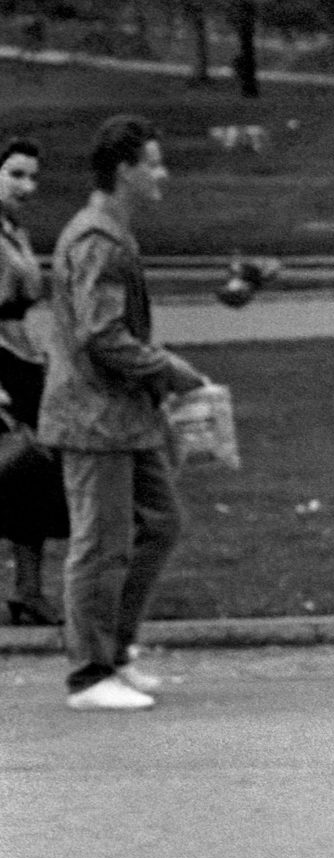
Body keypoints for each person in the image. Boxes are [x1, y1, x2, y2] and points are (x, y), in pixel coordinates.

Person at [44, 116, 213, 713]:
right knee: (100, 543)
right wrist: (166, 369)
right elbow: (101, 335)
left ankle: (113, 652)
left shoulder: (111, 235)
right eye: (153, 162)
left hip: (124, 415)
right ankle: (89, 675)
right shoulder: (97, 240)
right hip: (93, 418)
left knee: (160, 523)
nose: (162, 173)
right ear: (124, 170)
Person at [0, 138, 56, 622]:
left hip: (23, 359)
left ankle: (28, 589)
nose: (27, 186)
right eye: (16, 174)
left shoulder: (13, 231)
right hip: (2, 366)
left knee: (30, 475)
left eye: (32, 176)